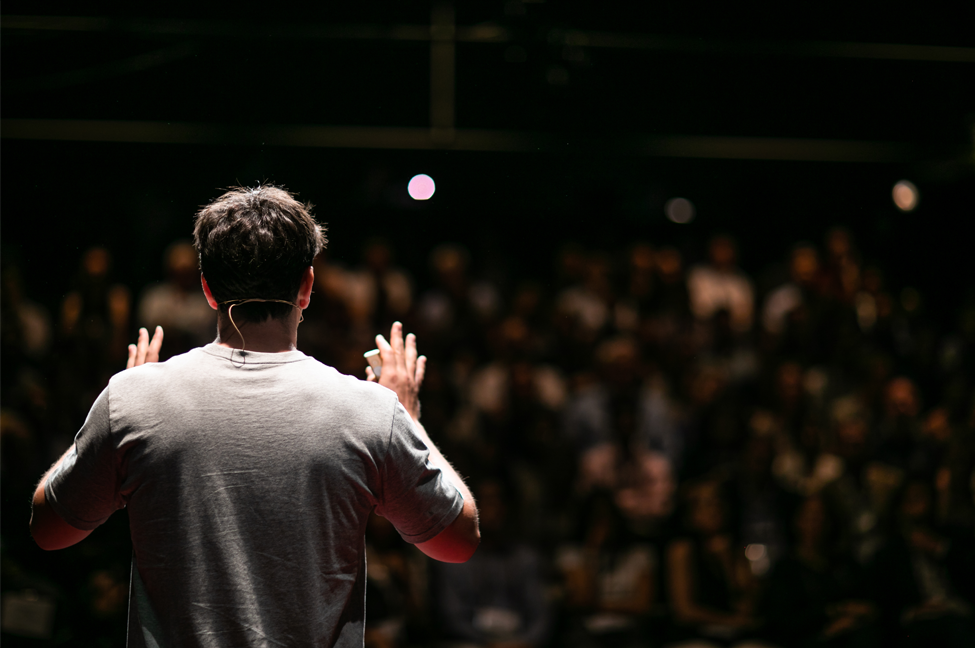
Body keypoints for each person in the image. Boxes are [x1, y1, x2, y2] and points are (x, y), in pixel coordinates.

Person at [29, 185, 480, 647]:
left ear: (207, 288)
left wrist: (122, 409)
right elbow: (458, 541)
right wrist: (408, 418)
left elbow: (49, 530)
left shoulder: (134, 398)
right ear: (307, 286)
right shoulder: (370, 409)